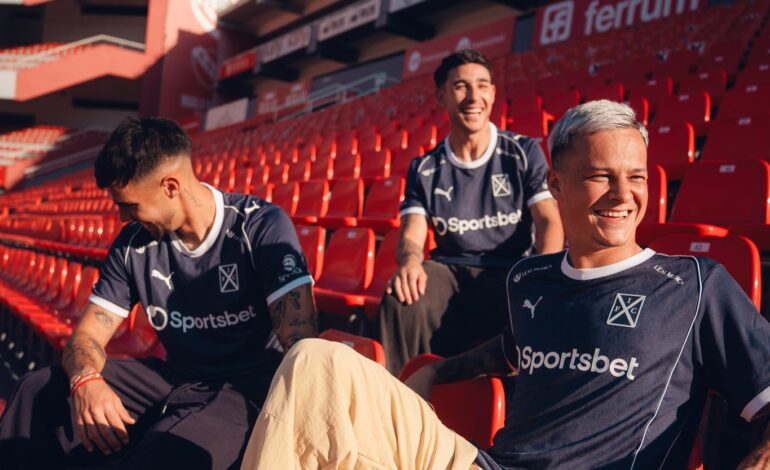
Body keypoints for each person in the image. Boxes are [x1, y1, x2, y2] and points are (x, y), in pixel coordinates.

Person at [240, 100, 770, 469]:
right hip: (486, 464)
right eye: (600, 176)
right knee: (314, 360)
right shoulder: (530, 279)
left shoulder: (695, 285)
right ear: (556, 184)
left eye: (636, 177)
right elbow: (511, 351)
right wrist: (438, 371)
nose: (622, 194)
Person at [0, 117, 318, 469]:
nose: (123, 217)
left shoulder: (258, 225)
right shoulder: (133, 244)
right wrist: (85, 380)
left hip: (248, 388)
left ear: (170, 186)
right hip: (174, 376)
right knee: (38, 391)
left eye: (130, 205)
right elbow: (87, 336)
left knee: (163, 452)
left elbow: (300, 341)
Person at [377, 49, 564, 374]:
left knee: (540, 303)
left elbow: (549, 221)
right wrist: (409, 262)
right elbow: (411, 234)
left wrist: (542, 273)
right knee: (402, 296)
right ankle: (402, 394)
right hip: (450, 271)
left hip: (508, 270)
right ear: (442, 96)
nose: (474, 97)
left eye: (482, 85)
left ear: (493, 92)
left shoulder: (522, 152)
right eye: (461, 86)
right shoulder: (424, 167)